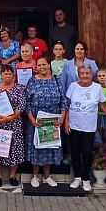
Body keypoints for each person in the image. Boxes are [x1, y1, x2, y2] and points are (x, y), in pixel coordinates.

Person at [64, 64, 106, 192]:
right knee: (75, 151)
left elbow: (104, 105)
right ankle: (77, 177)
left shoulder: (97, 88)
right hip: (74, 126)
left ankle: (86, 179)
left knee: (86, 152)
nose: (85, 76)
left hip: (89, 127)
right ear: (78, 75)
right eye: (82, 73)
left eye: (87, 73)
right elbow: (67, 106)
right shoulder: (73, 86)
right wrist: (66, 122)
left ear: (91, 75)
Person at [25, 57, 67, 187]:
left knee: (49, 146)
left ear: (49, 65)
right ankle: (35, 176)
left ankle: (47, 176)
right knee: (37, 147)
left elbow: (63, 101)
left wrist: (62, 118)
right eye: (39, 65)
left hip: (53, 119)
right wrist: (32, 119)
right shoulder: (32, 80)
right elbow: (28, 102)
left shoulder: (56, 79)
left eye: (44, 64)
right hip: (37, 119)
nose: (42, 67)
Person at [0, 64, 27, 188]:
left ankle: (12, 176)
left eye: (10, 73)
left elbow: (21, 106)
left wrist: (10, 117)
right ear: (1, 75)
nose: (7, 76)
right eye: (5, 73)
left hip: (13, 123)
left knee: (14, 149)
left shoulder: (19, 88)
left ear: (13, 75)